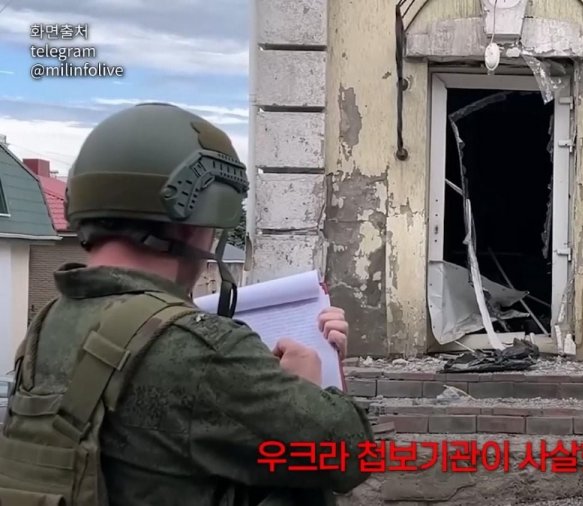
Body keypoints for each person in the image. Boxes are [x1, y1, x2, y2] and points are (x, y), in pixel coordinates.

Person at [0, 103, 372, 506]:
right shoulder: (206, 349)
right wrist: (308, 386)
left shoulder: (48, 325)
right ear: (193, 225)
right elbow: (351, 455)